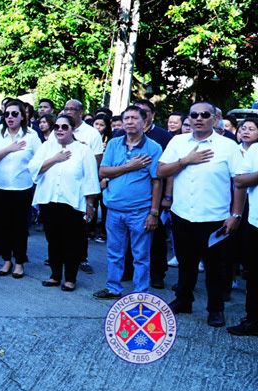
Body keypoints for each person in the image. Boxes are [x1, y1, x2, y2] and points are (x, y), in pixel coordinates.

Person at [158, 101, 245, 327]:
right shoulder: (177, 142)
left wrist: (235, 215)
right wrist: (186, 160)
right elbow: (161, 170)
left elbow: (239, 183)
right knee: (186, 263)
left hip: (214, 218)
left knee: (215, 268)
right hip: (183, 214)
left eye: (205, 114)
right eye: (194, 114)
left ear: (215, 119)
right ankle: (183, 300)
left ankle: (215, 309)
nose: (199, 118)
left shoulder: (228, 146)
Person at [92, 106, 163, 299]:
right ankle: (113, 287)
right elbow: (103, 172)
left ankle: (141, 292)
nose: (130, 122)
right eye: (126, 118)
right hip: (114, 209)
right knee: (114, 253)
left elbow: (157, 181)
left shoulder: (153, 148)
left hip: (140, 211)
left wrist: (154, 212)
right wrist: (130, 166)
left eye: (134, 118)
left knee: (141, 256)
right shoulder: (114, 144)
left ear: (144, 122)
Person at [28, 114, 100, 291]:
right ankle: (55, 275)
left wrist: (90, 205)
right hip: (49, 201)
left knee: (72, 242)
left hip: (72, 203)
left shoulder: (83, 150)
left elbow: (91, 179)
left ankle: (70, 279)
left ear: (73, 129)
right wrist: (55, 159)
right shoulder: (47, 147)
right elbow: (34, 170)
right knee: (53, 240)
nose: (59, 130)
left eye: (64, 127)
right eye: (57, 127)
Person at [0, 101, 41, 279]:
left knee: (20, 227)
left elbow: (39, 161)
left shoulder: (31, 136)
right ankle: (6, 259)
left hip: (22, 188)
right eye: (6, 114)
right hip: (0, 187)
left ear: (23, 116)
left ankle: (19, 262)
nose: (10, 117)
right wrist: (9, 148)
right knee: (2, 225)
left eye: (14, 114)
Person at [62, 99, 103, 275]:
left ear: (80, 112)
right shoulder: (60, 128)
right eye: (66, 109)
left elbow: (97, 160)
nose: (69, 112)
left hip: (82, 184)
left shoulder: (92, 133)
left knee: (81, 224)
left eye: (73, 109)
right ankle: (59, 256)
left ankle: (81, 259)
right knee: (61, 223)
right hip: (63, 183)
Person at [231, 129, 258, 335]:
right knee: (254, 275)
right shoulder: (255, 150)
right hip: (256, 224)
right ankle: (252, 320)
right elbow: (239, 181)